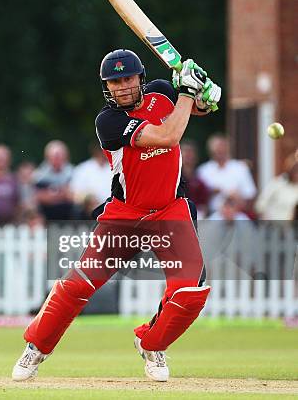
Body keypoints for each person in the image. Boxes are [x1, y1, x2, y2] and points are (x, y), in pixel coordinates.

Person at [12, 49, 221, 382]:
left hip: (169, 211)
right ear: (106, 87)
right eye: (114, 82)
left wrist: (205, 93)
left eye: (127, 79)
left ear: (140, 78)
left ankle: (151, 344)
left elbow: (200, 109)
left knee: (190, 292)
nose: (121, 87)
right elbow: (168, 137)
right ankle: (35, 348)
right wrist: (187, 91)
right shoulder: (108, 122)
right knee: (78, 285)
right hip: (126, 215)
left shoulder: (162, 92)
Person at [197, 134, 256, 216]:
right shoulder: (203, 170)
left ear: (228, 149)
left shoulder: (240, 168)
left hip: (237, 215)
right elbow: (198, 200)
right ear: (211, 150)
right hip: (211, 216)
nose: (220, 150)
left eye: (223, 147)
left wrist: (237, 198)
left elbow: (250, 196)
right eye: (217, 148)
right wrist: (210, 192)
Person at [33, 140, 74, 220]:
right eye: (54, 156)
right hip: (45, 218)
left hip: (70, 217)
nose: (56, 159)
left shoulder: (74, 173)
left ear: (66, 156)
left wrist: (51, 195)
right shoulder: (39, 175)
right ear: (47, 157)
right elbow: (38, 197)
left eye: (59, 156)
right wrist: (62, 194)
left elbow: (73, 196)